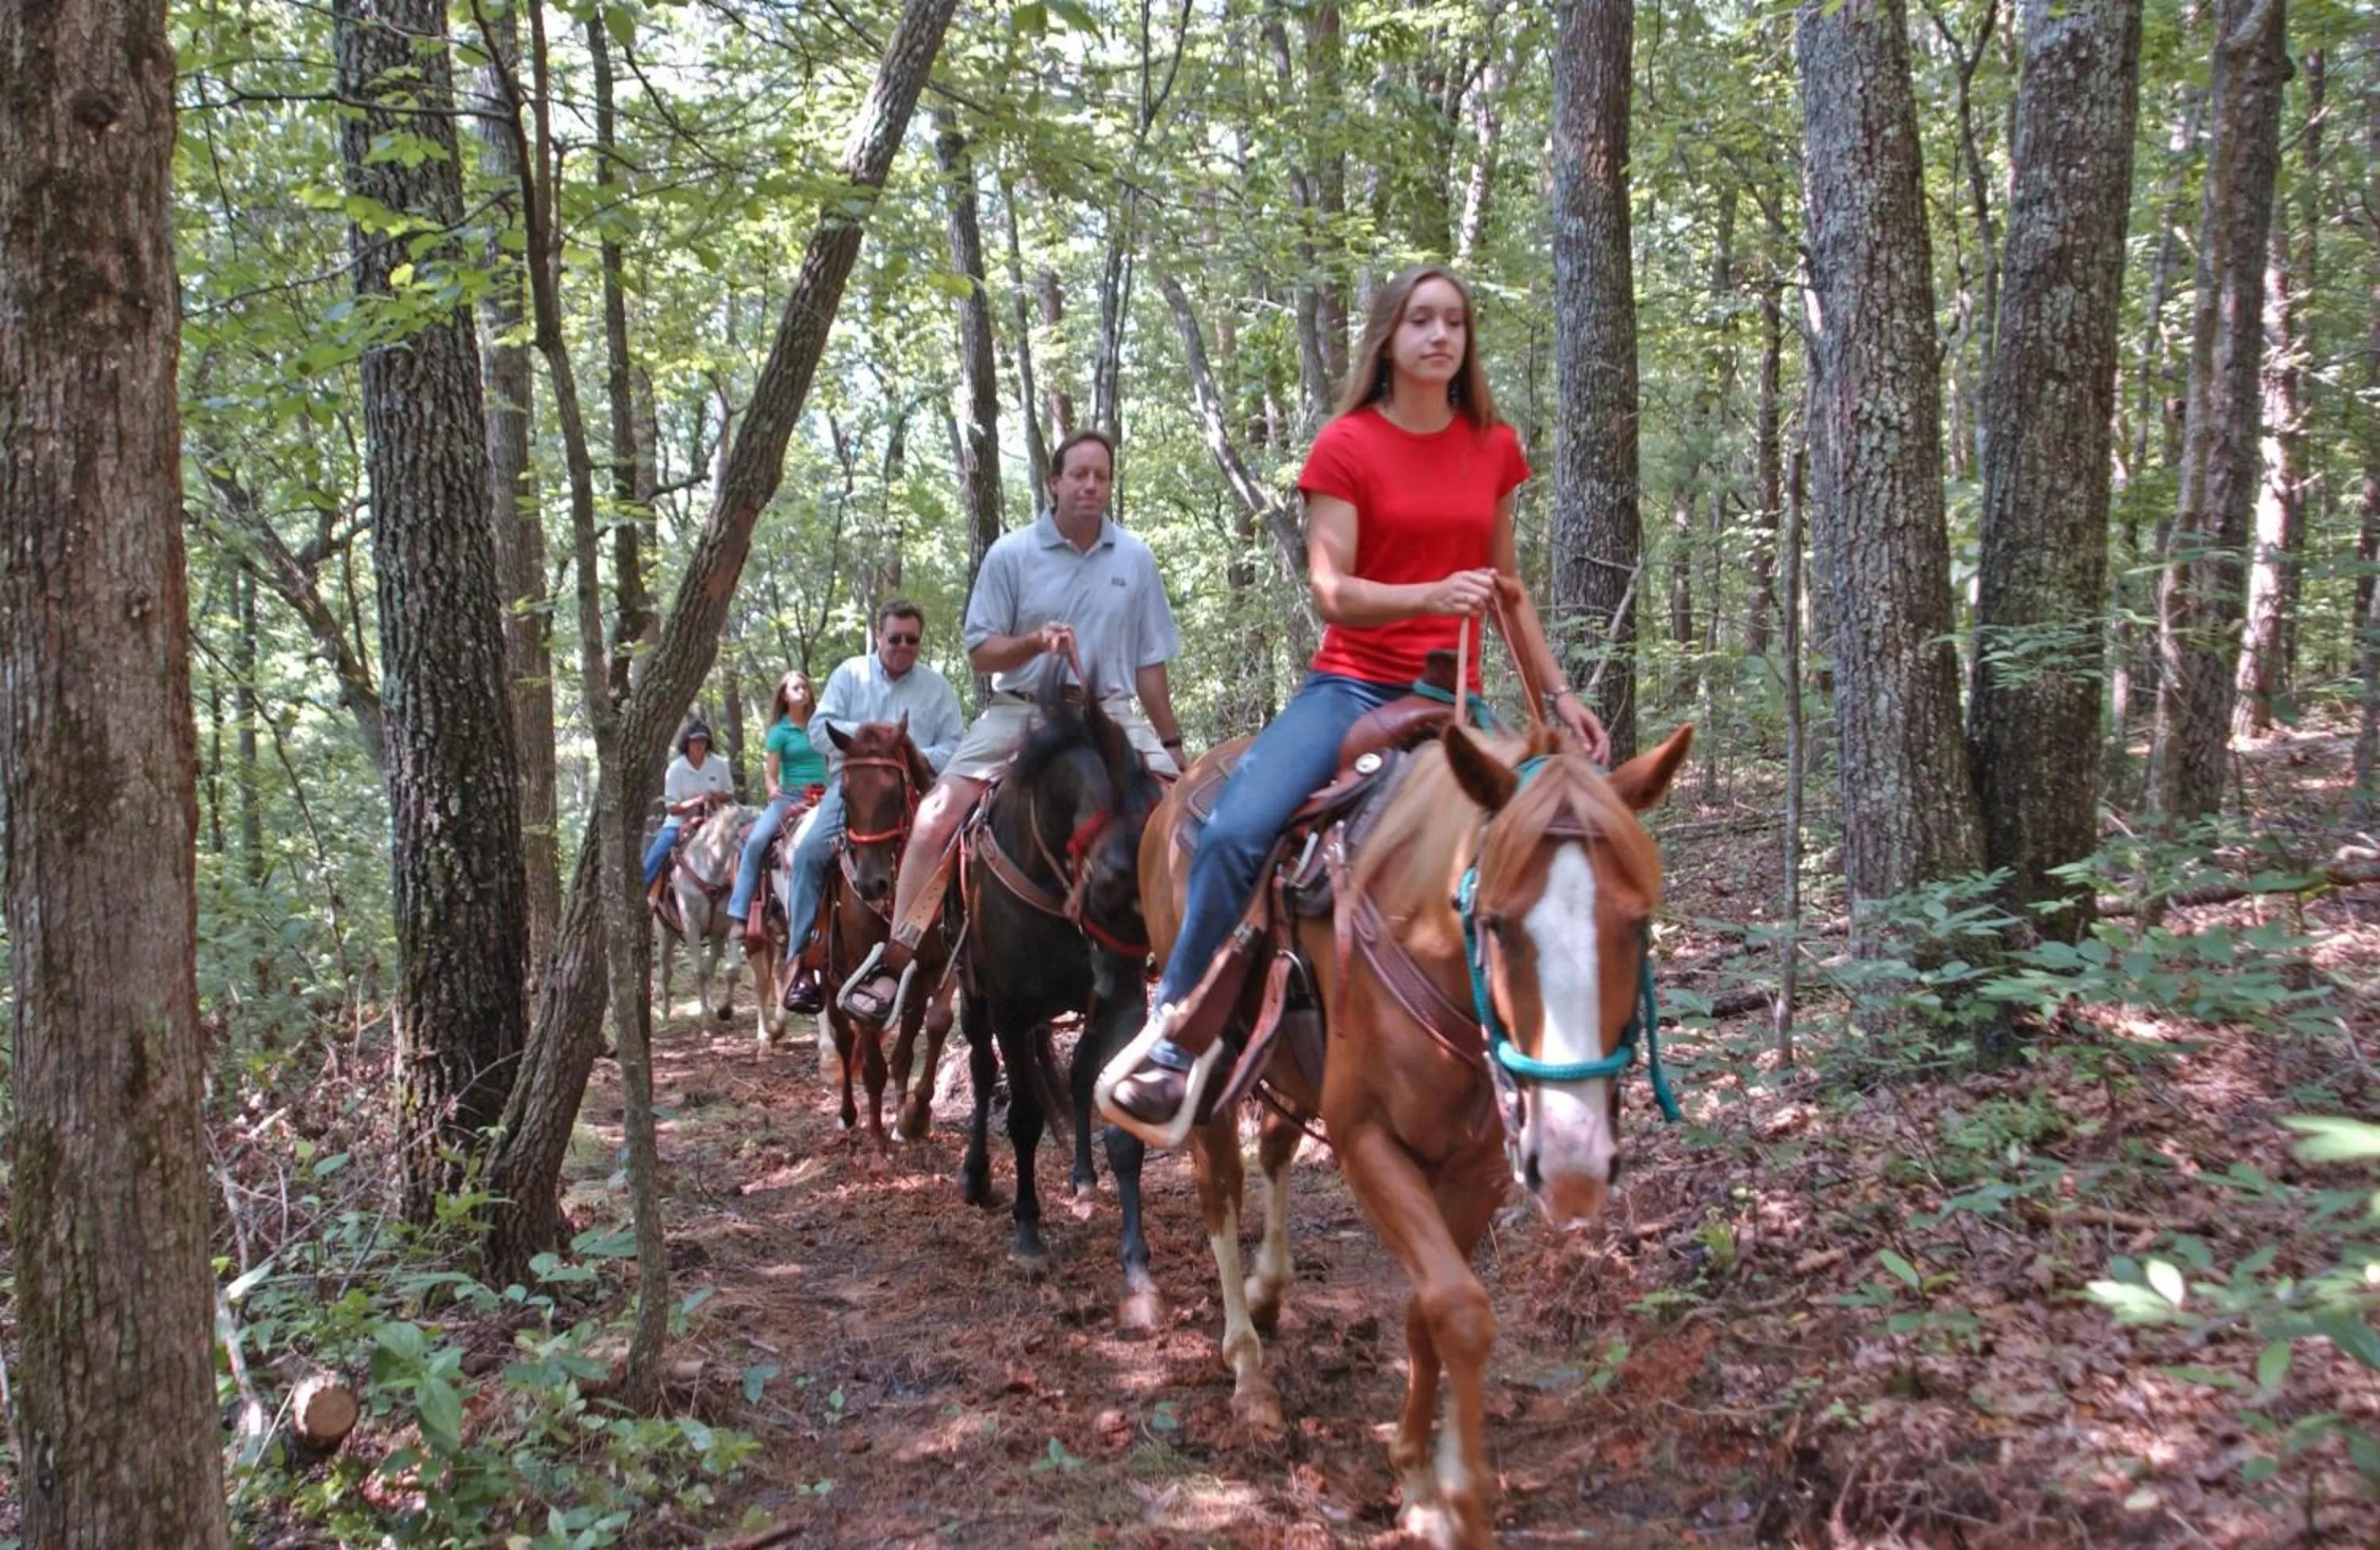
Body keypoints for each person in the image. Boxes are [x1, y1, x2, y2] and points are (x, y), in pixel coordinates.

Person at [1097, 262, 1611, 1149]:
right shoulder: (1347, 444)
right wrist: (1428, 597)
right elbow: (1331, 590)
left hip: (1461, 700)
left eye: (1454, 321)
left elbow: (1509, 588)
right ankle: (1178, 1030)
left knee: (1563, 844)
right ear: (1390, 336)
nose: (1440, 335)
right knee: (1232, 831)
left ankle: (1557, 1055)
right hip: (1354, 686)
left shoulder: (1493, 446)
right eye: (1421, 320)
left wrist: (1561, 695)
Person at [836, 429, 1189, 1027]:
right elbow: (980, 652)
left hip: (1109, 711)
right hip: (1020, 709)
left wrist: (1174, 750)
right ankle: (897, 959)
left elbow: (1151, 666)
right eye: (1078, 474)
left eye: (1101, 475)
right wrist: (1032, 641)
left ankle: (1187, 961)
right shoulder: (1012, 553)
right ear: (1054, 482)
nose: (1090, 485)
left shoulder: (1136, 558)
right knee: (932, 819)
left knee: (1187, 817)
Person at [775, 600, 966, 1013]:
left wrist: (912, 753)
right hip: (852, 791)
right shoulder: (849, 675)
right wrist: (871, 737)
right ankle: (804, 962)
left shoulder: (936, 688)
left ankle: (963, 952)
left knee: (965, 849)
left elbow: (955, 746)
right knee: (808, 853)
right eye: (894, 637)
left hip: (917, 792)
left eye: (911, 639)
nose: (902, 646)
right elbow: (818, 730)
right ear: (878, 637)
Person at [727, 669, 830, 946]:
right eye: (796, 688)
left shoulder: (820, 724)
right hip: (791, 795)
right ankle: (740, 911)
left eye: (805, 687)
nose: (803, 692)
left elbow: (832, 759)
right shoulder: (778, 732)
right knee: (757, 840)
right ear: (784, 696)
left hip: (825, 793)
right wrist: (773, 790)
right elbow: (771, 774)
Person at [643, 719, 739, 904]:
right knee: (656, 856)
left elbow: (729, 793)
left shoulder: (719, 764)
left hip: (715, 821)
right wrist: (696, 801)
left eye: (703, 741)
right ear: (686, 743)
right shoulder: (676, 769)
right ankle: (643, 901)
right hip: (679, 824)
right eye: (695, 741)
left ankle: (754, 902)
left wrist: (714, 796)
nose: (699, 745)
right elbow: (672, 807)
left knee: (742, 846)